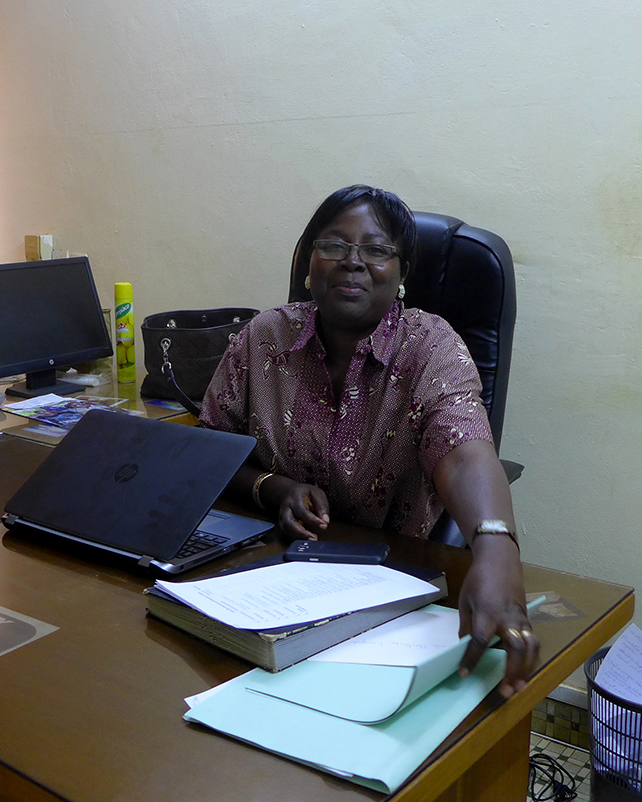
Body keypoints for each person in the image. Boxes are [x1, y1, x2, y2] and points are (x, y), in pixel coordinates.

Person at [199, 185, 537, 697]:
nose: (352, 262)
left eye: (377, 251)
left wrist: (496, 551)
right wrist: (274, 487)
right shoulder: (262, 337)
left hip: (391, 593)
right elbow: (209, 453)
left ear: (401, 275)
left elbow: (466, 451)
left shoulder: (430, 345)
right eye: (333, 245)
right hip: (269, 583)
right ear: (309, 264)